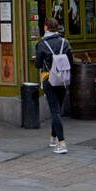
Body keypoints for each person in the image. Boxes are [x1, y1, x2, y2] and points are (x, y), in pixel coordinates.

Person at [35, 17, 74, 154]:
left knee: (55, 110)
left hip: (49, 79)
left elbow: (38, 64)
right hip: (63, 80)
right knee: (57, 109)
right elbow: (71, 62)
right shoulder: (65, 42)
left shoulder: (41, 44)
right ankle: (53, 139)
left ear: (46, 28)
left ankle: (62, 143)